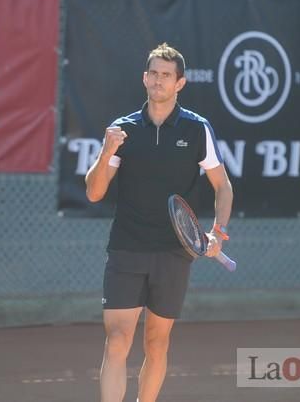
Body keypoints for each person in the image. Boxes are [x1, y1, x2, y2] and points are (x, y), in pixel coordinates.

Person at [85, 43, 233, 402]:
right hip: (126, 247)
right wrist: (106, 152)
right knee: (118, 340)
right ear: (144, 78)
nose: (158, 80)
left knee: (156, 341)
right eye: (153, 73)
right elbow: (94, 192)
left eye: (166, 75)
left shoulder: (197, 130)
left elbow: (223, 186)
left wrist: (218, 232)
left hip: (172, 252)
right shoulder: (123, 130)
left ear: (180, 83)